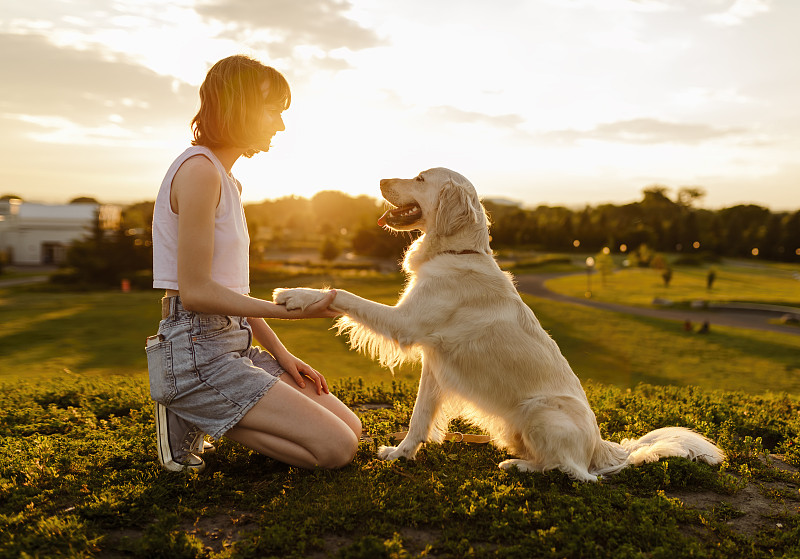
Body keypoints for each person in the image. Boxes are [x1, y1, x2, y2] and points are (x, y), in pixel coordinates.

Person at [146, 55, 361, 473]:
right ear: (237, 104)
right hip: (195, 351)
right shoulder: (199, 172)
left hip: (232, 341)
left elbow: (232, 294)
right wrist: (289, 313)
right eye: (273, 111)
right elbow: (196, 292)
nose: (279, 126)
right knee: (336, 450)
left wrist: (282, 354)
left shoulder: (228, 181)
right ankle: (188, 403)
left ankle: (201, 408)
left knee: (350, 427)